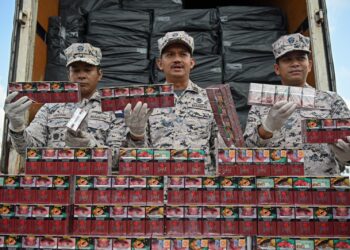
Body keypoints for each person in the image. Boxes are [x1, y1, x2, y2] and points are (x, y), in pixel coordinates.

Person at [244, 33, 350, 175]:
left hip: (324, 190)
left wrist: (347, 157)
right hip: (278, 189)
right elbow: (247, 150)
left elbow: (346, 142)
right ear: (277, 69)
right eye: (287, 60)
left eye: (301, 58)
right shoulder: (262, 103)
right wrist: (266, 128)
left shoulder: (332, 101)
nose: (295, 64)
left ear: (310, 65)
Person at [4, 43, 126, 159]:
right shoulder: (51, 108)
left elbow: (118, 159)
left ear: (100, 74)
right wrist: (17, 127)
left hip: (93, 180)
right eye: (76, 70)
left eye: (88, 70)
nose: (81, 75)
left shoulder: (113, 109)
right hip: (56, 180)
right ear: (69, 74)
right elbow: (28, 150)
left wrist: (91, 146)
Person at [124, 31, 218, 174]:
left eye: (183, 54)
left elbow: (218, 151)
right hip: (161, 188)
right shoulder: (147, 101)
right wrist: (136, 135)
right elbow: (134, 156)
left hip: (200, 188)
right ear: (160, 64)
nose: (177, 59)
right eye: (170, 55)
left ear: (192, 62)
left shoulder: (210, 100)